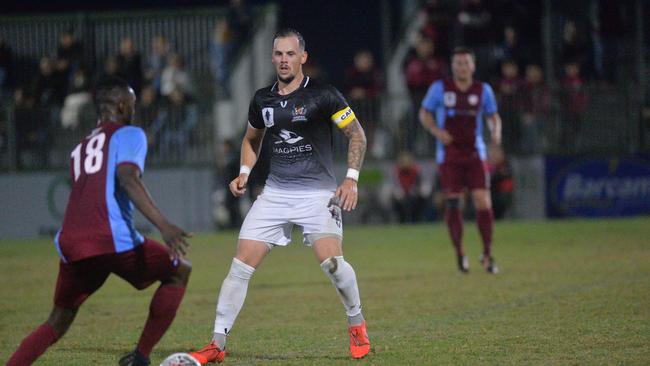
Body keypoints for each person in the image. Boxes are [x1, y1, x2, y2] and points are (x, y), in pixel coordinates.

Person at [188, 28, 370, 364]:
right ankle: (216, 344)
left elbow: (356, 135)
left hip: (318, 194)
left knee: (333, 264)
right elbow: (251, 139)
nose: (284, 60)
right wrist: (244, 173)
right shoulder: (262, 99)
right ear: (272, 57)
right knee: (239, 267)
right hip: (275, 194)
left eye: (290, 54)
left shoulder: (324, 95)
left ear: (303, 57)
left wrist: (351, 180)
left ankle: (356, 323)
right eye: (278, 54)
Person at [7, 76, 193, 366]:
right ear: (121, 105)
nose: (133, 110)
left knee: (57, 319)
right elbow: (127, 177)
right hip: (110, 239)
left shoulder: (79, 147)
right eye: (131, 104)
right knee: (179, 272)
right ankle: (140, 357)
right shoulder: (129, 134)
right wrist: (163, 224)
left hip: (70, 243)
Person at [419, 47, 502, 274]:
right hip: (449, 155)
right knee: (454, 202)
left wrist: (496, 132)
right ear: (452, 66)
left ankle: (486, 253)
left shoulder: (483, 90)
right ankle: (460, 254)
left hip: (475, 152)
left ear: (472, 66)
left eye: (466, 63)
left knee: (483, 201)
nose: (462, 67)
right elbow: (424, 114)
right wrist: (437, 131)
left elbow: (493, 116)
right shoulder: (440, 88)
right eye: (458, 63)